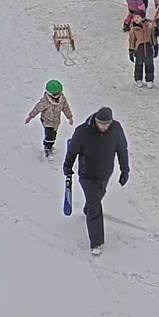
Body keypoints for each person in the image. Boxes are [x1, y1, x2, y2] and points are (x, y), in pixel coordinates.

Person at [60, 107, 129, 254]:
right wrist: (67, 167)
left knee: (96, 199)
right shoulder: (83, 131)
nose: (104, 127)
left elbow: (122, 149)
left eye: (107, 124)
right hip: (87, 175)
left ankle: (88, 209)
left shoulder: (116, 129)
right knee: (95, 204)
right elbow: (72, 150)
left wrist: (125, 171)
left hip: (105, 174)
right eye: (101, 123)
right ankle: (96, 243)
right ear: (96, 120)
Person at [24, 80, 72, 158]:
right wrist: (30, 117)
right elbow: (36, 109)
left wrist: (69, 117)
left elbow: (65, 107)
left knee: (54, 135)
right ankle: (47, 148)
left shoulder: (62, 99)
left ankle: (50, 145)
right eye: (55, 94)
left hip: (56, 121)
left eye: (59, 93)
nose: (57, 95)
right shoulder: (44, 102)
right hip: (47, 121)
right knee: (49, 135)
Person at [125, 5, 159, 84]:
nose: (136, 19)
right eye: (135, 18)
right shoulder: (133, 30)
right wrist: (131, 51)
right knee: (138, 66)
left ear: (143, 18)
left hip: (148, 49)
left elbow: (153, 37)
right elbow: (131, 41)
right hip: (139, 50)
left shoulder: (149, 27)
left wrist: (156, 46)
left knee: (149, 65)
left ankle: (149, 80)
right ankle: (138, 79)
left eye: (138, 17)